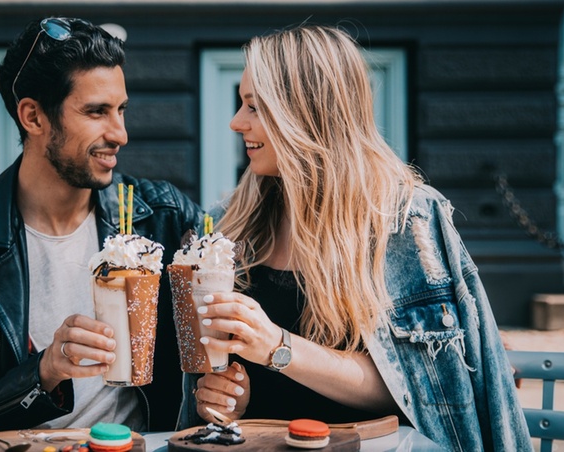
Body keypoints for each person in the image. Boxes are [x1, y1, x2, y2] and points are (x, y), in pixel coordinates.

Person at [180, 24, 533, 451]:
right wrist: (228, 401)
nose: (237, 123)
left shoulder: (404, 220)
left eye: (254, 107)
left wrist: (278, 346)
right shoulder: (229, 224)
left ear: (305, 115)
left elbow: (414, 388)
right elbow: (227, 391)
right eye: (242, 104)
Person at [0, 17, 203, 436]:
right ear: (33, 117)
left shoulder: (162, 215)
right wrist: (45, 371)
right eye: (96, 112)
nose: (120, 133)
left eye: (121, 110)